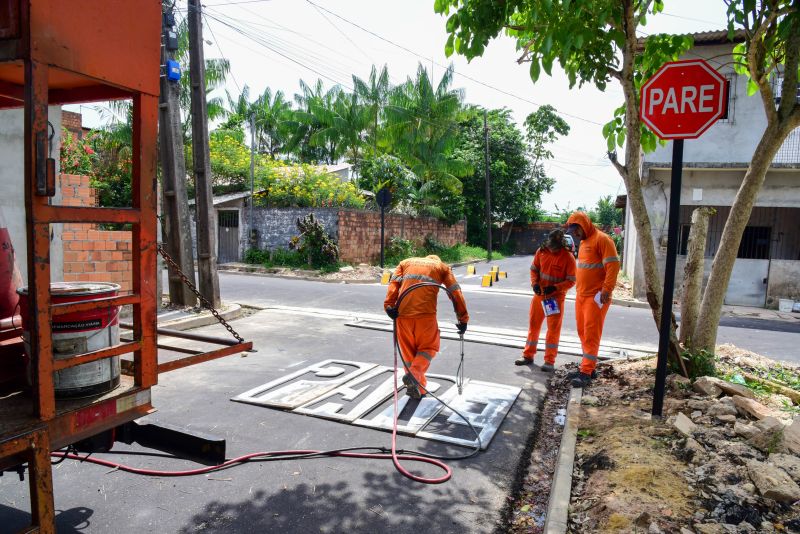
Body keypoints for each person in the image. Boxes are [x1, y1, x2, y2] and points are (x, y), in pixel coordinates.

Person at [384, 255, 469, 399]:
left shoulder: (404, 262)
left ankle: (419, 387)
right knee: (429, 348)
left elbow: (393, 284)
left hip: (402, 316)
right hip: (425, 317)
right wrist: (463, 319)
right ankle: (414, 376)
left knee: (409, 356)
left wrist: (389, 306)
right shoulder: (442, 267)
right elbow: (455, 292)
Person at [565, 211, 620, 388]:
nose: (575, 235)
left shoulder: (602, 239)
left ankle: (586, 373)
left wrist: (606, 289)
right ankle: (588, 366)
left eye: (577, 231)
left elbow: (613, 265)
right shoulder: (584, 243)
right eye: (573, 232)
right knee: (582, 331)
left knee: (591, 333)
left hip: (596, 297)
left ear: (584, 226)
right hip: (582, 295)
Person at [516, 229, 577, 371]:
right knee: (533, 326)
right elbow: (534, 269)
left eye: (554, 247)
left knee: (553, 330)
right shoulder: (541, 252)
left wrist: (556, 288)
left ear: (560, 244)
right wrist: (535, 283)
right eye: (550, 245)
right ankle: (528, 355)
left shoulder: (568, 258)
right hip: (540, 295)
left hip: (555, 298)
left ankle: (549, 361)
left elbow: (571, 281)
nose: (551, 248)